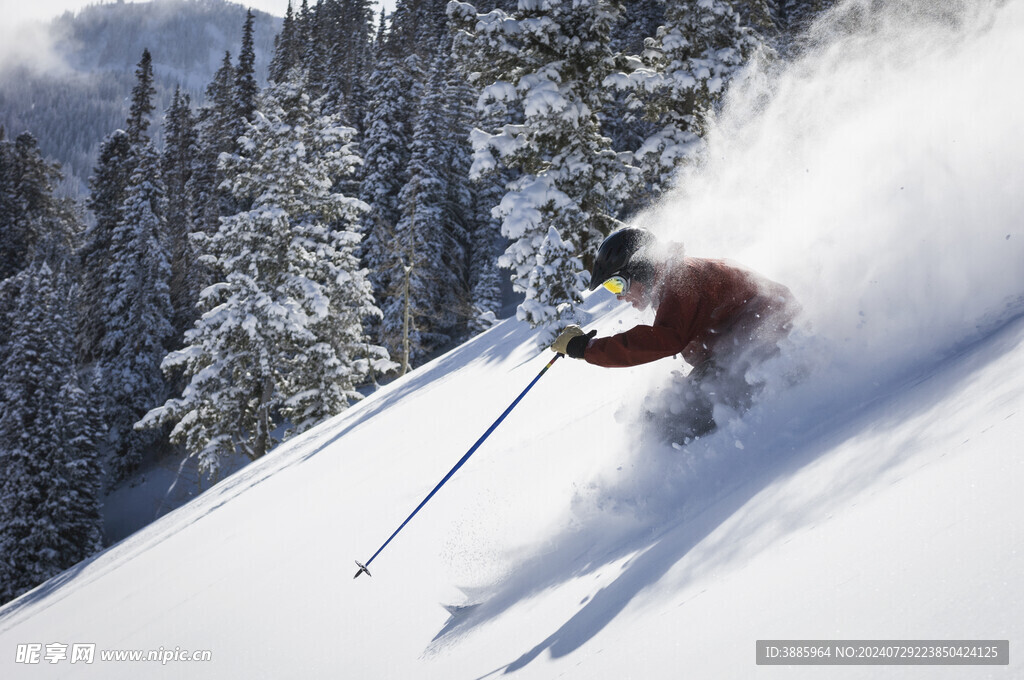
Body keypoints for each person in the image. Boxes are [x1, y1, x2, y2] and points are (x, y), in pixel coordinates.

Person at [550, 227, 797, 442]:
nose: (619, 296)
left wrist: (585, 348)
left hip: (769, 337)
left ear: (641, 267)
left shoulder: (682, 278)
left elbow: (664, 338)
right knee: (663, 416)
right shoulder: (672, 280)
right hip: (744, 346)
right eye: (611, 288)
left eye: (618, 284)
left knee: (674, 423)